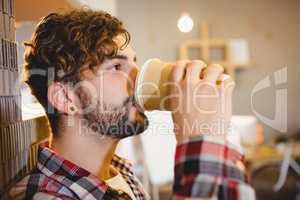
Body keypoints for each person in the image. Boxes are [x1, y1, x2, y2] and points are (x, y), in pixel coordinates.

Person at [10, 9, 255, 200]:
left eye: (134, 63)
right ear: (66, 99)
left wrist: (215, 135)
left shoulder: (119, 173)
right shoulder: (45, 195)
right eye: (116, 67)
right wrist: (198, 141)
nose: (139, 77)